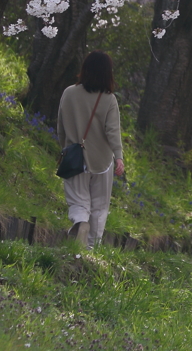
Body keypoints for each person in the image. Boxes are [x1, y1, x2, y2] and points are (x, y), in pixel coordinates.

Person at [56, 51, 125, 249]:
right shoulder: (109, 99)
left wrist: (66, 149)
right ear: (107, 73)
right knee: (100, 207)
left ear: (84, 69)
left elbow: (61, 125)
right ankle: (90, 248)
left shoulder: (69, 93)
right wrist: (119, 157)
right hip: (102, 160)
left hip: (74, 156)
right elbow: (112, 131)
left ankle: (80, 223)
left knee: (79, 201)